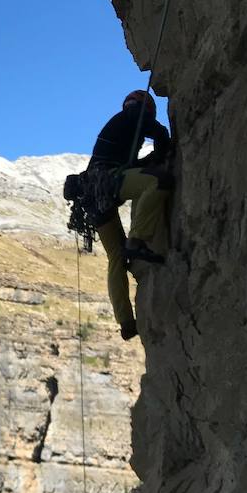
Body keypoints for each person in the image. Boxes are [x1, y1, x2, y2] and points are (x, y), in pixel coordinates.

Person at [72, 90, 173, 341]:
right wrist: (162, 150)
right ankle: (137, 239)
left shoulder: (120, 124)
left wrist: (150, 157)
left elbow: (130, 163)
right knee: (159, 181)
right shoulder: (132, 117)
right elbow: (158, 133)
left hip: (93, 194)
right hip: (107, 182)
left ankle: (126, 322)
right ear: (146, 107)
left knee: (115, 257)